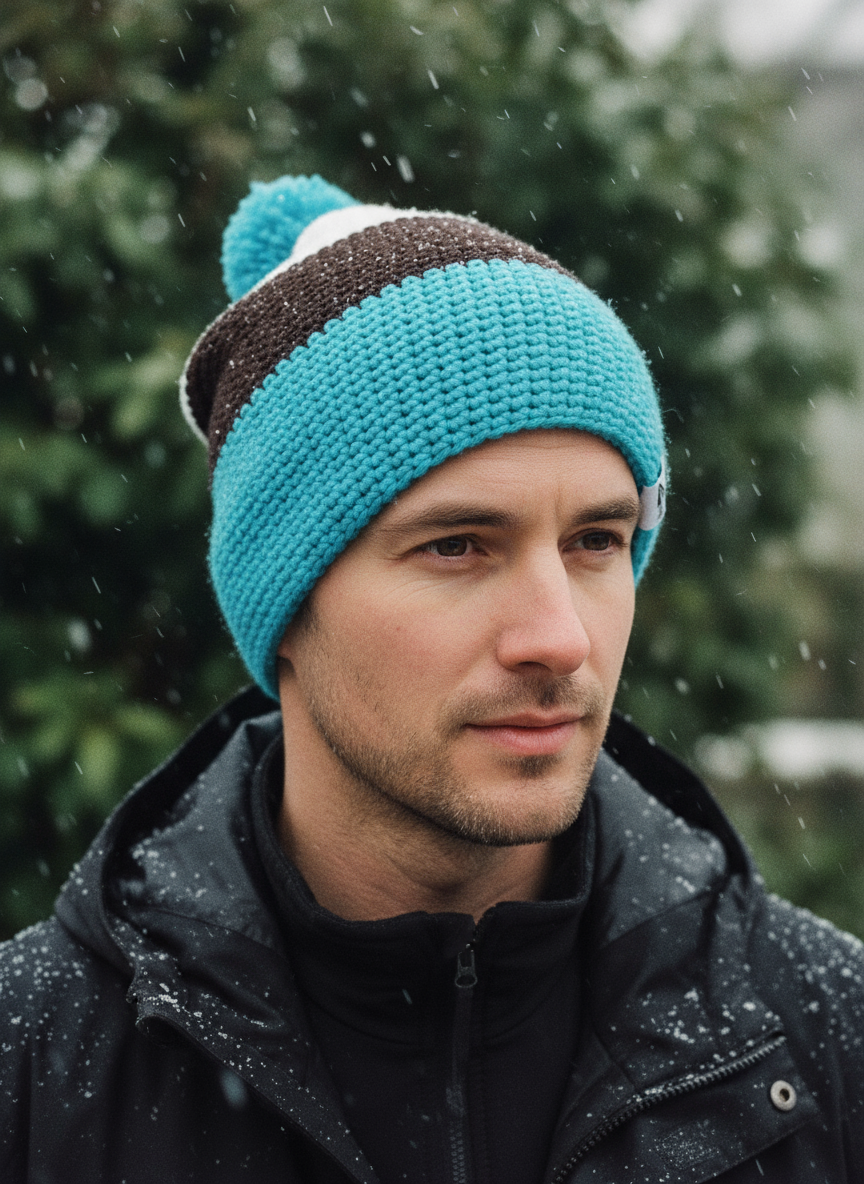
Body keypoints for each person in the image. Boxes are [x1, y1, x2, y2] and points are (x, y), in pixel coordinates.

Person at [1, 175, 862, 1184]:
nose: (559, 637)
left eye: (596, 540)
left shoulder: (824, 1042)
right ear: (286, 602)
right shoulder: (36, 1069)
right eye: (457, 546)